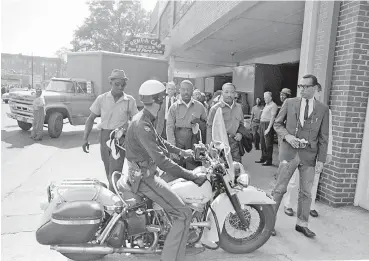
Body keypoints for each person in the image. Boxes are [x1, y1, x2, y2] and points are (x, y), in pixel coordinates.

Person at [122, 80, 207, 261]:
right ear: (159, 98)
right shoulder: (142, 125)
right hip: (145, 179)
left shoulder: (145, 118)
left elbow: (160, 142)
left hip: (147, 174)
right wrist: (191, 175)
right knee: (183, 214)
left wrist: (181, 152)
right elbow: (161, 161)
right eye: (163, 96)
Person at [271, 74, 329, 238]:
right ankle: (269, 223)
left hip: (309, 156)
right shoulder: (289, 103)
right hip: (289, 153)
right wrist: (287, 136)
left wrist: (321, 160)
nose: (302, 89)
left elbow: (324, 137)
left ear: (315, 88)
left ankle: (302, 224)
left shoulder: (323, 109)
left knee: (306, 193)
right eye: (300, 86)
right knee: (279, 189)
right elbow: (277, 124)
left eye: (305, 86)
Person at [82, 69, 138, 191]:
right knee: (108, 170)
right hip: (104, 137)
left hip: (119, 139)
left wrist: (126, 126)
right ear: (110, 83)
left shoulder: (130, 101)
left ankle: (114, 198)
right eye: (117, 84)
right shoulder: (102, 99)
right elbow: (91, 118)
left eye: (123, 84)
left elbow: (136, 120)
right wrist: (85, 138)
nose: (120, 87)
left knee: (115, 172)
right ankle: (113, 193)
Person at [283, 84, 333, 218]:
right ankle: (288, 204)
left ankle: (310, 206)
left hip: (315, 150)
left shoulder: (325, 110)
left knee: (313, 180)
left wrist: (328, 152)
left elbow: (328, 134)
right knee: (293, 180)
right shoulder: (298, 105)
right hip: (297, 149)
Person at [166, 80, 207, 169]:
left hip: (194, 141)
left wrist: (198, 122)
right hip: (178, 141)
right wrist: (172, 148)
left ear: (192, 90)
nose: (186, 92)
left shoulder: (200, 106)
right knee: (177, 168)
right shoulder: (174, 107)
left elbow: (205, 125)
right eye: (183, 89)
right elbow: (169, 128)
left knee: (194, 168)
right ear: (179, 90)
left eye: (188, 90)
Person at [207, 83, 244, 162]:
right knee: (222, 169)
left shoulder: (239, 107)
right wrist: (210, 146)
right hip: (220, 144)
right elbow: (209, 127)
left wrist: (240, 133)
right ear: (222, 93)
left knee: (237, 167)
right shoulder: (215, 108)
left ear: (235, 94)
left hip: (235, 143)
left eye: (232, 92)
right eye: (226, 92)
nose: (229, 95)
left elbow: (241, 124)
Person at [255, 91, 278, 166]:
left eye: (266, 98)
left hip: (267, 124)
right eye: (264, 98)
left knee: (268, 143)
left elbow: (272, 118)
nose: (265, 99)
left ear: (270, 98)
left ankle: (269, 160)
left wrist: (268, 128)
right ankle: (263, 158)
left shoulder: (273, 105)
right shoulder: (266, 105)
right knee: (262, 143)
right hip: (262, 124)